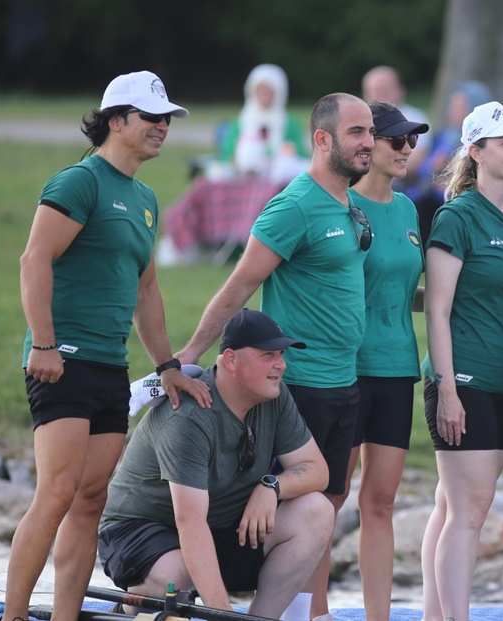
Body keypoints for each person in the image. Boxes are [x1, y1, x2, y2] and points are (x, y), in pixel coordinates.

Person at [4, 70, 210, 621]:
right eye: (151, 117)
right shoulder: (80, 182)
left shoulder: (144, 198)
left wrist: (166, 365)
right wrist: (44, 345)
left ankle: (65, 616)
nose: (162, 127)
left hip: (108, 366)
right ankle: (14, 615)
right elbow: (34, 261)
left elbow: (146, 290)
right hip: (62, 359)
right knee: (57, 492)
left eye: (167, 118)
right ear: (116, 120)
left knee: (90, 500)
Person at [175, 92, 376, 621]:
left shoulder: (349, 204)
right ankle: (270, 610)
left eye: (370, 132)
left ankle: (312, 612)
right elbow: (240, 282)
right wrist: (192, 353)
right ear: (322, 139)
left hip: (345, 381)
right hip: (300, 382)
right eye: (357, 132)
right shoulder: (294, 204)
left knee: (328, 507)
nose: (370, 143)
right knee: (295, 507)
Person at [97, 308, 333, 619]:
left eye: (281, 354)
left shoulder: (274, 396)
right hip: (139, 531)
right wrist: (221, 613)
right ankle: (131, 606)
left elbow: (317, 470)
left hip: (217, 527)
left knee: (317, 510)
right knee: (176, 572)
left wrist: (272, 486)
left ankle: (259, 619)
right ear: (231, 360)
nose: (281, 364)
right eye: (268, 355)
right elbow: (190, 523)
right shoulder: (189, 417)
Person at [419, 101, 503, 621]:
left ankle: (431, 613)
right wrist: (446, 388)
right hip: (463, 378)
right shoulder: (456, 216)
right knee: (469, 511)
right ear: (475, 151)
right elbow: (437, 311)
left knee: (455, 505)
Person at [344, 100, 429, 621]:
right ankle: (318, 612)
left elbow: (406, 287)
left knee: (380, 503)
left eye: (412, 141)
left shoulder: (408, 208)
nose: (406, 149)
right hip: (346, 369)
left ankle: (378, 616)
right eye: (396, 140)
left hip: (399, 368)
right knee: (328, 499)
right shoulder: (340, 205)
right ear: (368, 145)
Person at [413, 81, 493, 242]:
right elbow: (423, 170)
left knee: (425, 205)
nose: (454, 111)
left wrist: (453, 182)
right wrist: (433, 166)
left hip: (465, 195)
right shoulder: (445, 136)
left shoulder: (486, 141)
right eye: (453, 105)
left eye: (461, 106)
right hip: (434, 192)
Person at [221, 63, 310, 182]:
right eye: (261, 91)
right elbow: (227, 154)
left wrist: (290, 151)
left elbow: (300, 155)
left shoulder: (289, 123)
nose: (264, 96)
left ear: (279, 92)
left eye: (269, 91)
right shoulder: (241, 121)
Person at [361, 66, 431, 190]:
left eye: (412, 139)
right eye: (374, 90)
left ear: (401, 90)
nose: (407, 149)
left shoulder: (415, 117)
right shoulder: (358, 121)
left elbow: (417, 160)